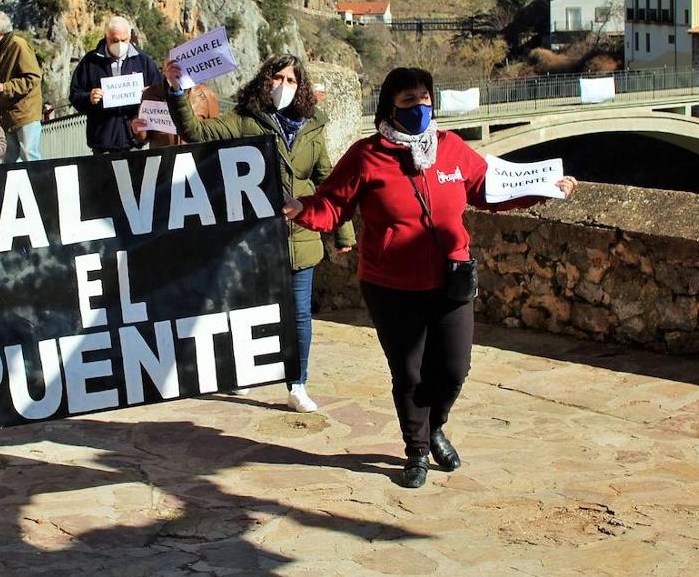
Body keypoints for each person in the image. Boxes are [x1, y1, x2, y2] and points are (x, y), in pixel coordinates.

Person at [283, 67, 578, 489]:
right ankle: (417, 450)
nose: (420, 107)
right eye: (408, 101)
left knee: (455, 369)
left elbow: (492, 190)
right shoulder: (367, 155)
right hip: (391, 286)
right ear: (390, 107)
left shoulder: (452, 149)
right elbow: (333, 204)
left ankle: (436, 424)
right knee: (410, 374)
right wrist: (302, 210)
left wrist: (547, 187)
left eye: (425, 99)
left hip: (451, 278)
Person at [164, 53, 355, 412]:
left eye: (292, 80)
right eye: (277, 77)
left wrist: (342, 232)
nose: (283, 85)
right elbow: (197, 132)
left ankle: (297, 383)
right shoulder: (244, 120)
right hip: (253, 238)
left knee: (299, 314)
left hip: (299, 236)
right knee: (249, 308)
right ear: (264, 81)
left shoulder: (312, 126)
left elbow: (326, 181)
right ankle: (246, 374)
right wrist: (178, 92)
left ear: (301, 87)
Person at [71, 16, 164, 153]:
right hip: (102, 144)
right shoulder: (90, 62)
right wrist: (89, 98)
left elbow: (161, 93)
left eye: (124, 40)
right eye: (114, 40)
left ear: (130, 37)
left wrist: (149, 93)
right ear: (106, 37)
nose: (119, 44)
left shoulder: (143, 61)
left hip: (136, 143)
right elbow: (75, 95)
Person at [0, 11, 44, 162]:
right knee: (10, 158)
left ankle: (39, 184)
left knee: (29, 154)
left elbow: (33, 77)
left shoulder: (18, 45)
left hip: (25, 112)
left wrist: (5, 88)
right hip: (8, 113)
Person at [131, 81, 220, 149]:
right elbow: (143, 137)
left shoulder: (206, 95)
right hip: (162, 162)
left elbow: (216, 135)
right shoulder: (151, 93)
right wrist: (137, 130)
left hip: (195, 164)